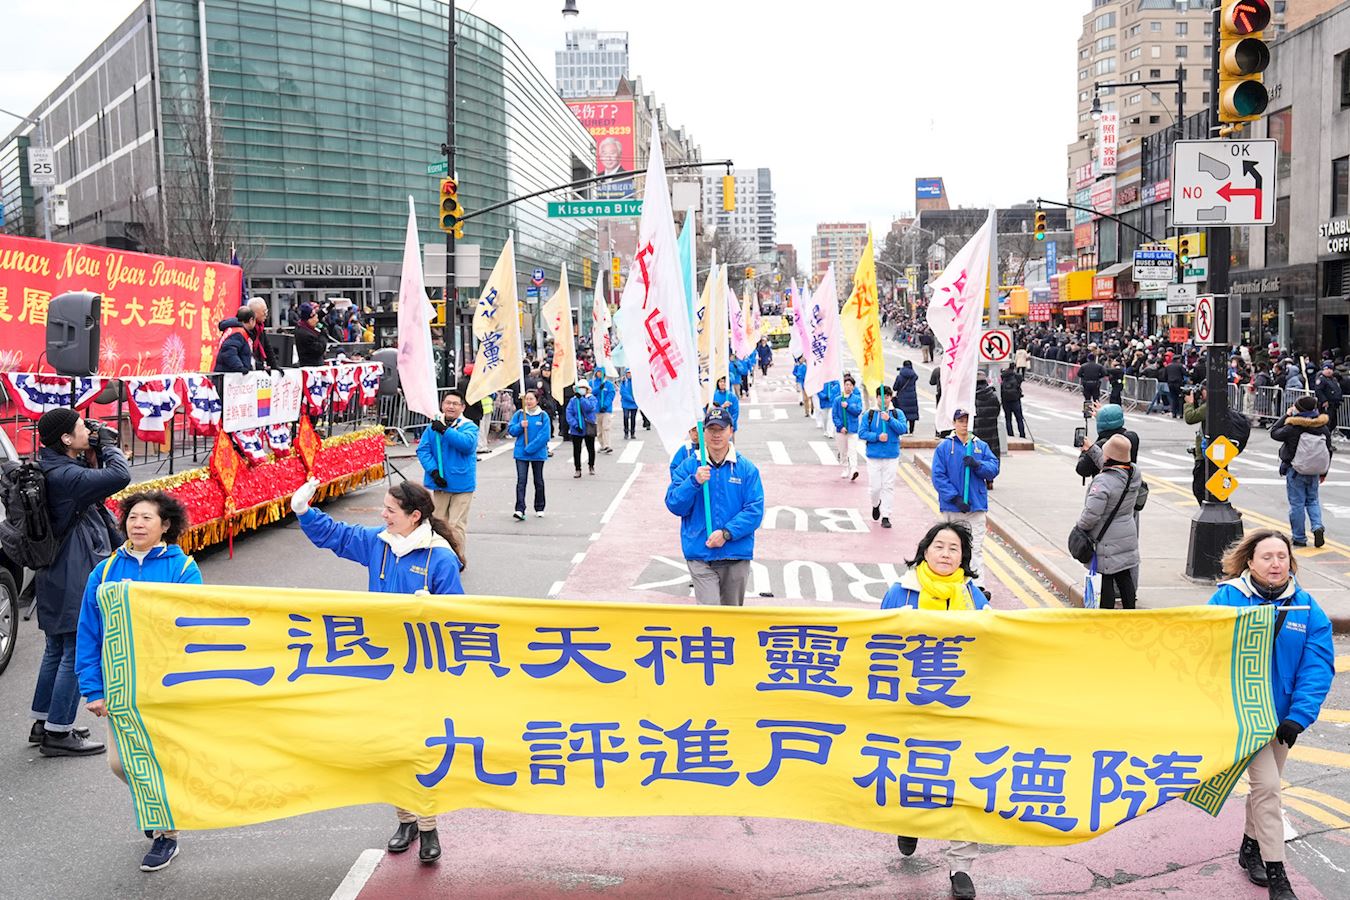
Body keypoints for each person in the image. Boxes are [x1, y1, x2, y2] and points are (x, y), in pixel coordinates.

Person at [293, 478, 463, 864]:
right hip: (382, 667)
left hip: (422, 669)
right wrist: (304, 511)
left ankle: (429, 827)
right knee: (393, 748)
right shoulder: (380, 543)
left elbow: (458, 619)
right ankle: (405, 821)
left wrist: (432, 611)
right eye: (383, 508)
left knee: (421, 750)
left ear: (414, 516)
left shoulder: (440, 558)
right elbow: (338, 536)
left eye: (390, 510)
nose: (382, 515)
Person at [76, 491, 201, 872]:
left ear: (166, 525)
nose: (138, 524)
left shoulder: (184, 570)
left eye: (147, 518)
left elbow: (195, 628)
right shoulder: (105, 571)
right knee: (120, 763)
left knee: (161, 759)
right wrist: (93, 689)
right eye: (132, 517)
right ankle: (154, 803)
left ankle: (166, 835)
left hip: (166, 684)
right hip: (121, 684)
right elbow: (88, 632)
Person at [1208, 530, 1334, 900]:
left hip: (1281, 720)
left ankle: (1249, 848)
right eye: (1267, 556)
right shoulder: (1227, 599)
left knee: (1266, 787)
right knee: (1268, 788)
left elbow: (1317, 665)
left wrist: (1299, 716)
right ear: (1250, 562)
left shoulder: (1306, 607)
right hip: (1241, 715)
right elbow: (1202, 651)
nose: (1276, 563)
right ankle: (1278, 876)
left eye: (1282, 556)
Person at [883, 520, 987, 900]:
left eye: (954, 548)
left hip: (961, 706)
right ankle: (911, 821)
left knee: (966, 782)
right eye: (939, 546)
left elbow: (994, 648)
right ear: (925, 551)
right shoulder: (900, 592)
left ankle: (961, 866)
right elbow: (877, 643)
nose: (945, 553)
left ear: (964, 557)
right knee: (914, 772)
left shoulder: (975, 600)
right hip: (911, 706)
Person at [29, 409, 130, 757]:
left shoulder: (52, 466)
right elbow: (120, 476)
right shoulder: (67, 475)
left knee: (56, 647)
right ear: (66, 439)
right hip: (72, 568)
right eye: (81, 427)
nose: (89, 429)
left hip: (56, 567)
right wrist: (108, 446)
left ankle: (44, 722)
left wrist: (93, 448)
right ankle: (59, 732)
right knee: (76, 648)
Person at [665, 407, 764, 606]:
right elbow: (674, 504)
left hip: (735, 553)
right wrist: (693, 482)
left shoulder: (746, 469)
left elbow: (755, 510)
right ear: (704, 432)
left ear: (731, 431)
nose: (716, 435)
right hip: (700, 553)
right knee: (709, 613)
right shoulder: (690, 467)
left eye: (721, 429)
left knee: (730, 615)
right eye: (711, 430)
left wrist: (726, 533)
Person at [930, 409, 999, 587]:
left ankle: (978, 586)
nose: (964, 424)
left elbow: (993, 469)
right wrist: (955, 498)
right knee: (952, 548)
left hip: (975, 507)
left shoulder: (980, 446)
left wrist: (977, 465)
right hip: (952, 508)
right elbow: (938, 476)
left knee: (975, 547)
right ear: (954, 423)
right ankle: (952, 583)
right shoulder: (944, 447)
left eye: (967, 421)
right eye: (960, 421)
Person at [1074, 435, 1141, 610]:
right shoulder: (1134, 473)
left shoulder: (1103, 481)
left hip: (1106, 539)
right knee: (1124, 575)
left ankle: (1107, 616)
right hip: (1126, 533)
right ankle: (1130, 613)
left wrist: (1079, 529)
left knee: (1106, 578)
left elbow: (1091, 514)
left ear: (1109, 457)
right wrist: (1091, 449)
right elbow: (1111, 466)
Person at [415, 390, 477, 566]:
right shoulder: (433, 426)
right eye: (448, 403)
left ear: (462, 407)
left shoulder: (469, 426)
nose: (451, 406)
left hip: (462, 485)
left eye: (455, 404)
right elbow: (423, 450)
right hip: (440, 484)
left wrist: (444, 430)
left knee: (456, 525)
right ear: (442, 405)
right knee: (438, 523)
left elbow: (466, 445)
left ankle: (456, 560)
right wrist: (433, 471)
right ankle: (439, 559)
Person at [1270, 395, 1333, 548]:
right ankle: (1317, 525)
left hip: (1296, 469)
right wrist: (1324, 472)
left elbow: (1274, 432)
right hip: (1314, 470)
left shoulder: (1293, 427)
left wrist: (1286, 415)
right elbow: (1328, 451)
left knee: (1297, 504)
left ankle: (1299, 537)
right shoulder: (1322, 427)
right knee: (1313, 500)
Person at [858, 386, 908, 529]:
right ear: (877, 398)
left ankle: (886, 515)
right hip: (874, 456)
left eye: (887, 397)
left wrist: (889, 419)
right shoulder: (870, 414)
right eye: (881, 397)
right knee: (875, 488)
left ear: (890, 398)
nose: (884, 400)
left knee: (888, 486)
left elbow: (903, 429)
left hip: (891, 455)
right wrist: (877, 437)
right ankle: (875, 504)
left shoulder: (897, 413)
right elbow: (862, 433)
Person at [507, 390, 551, 520]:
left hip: (537, 453)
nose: (528, 401)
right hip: (521, 454)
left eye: (531, 399)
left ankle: (539, 507)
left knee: (538, 481)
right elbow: (511, 430)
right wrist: (520, 426)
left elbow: (545, 435)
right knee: (521, 481)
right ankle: (520, 509)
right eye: (527, 399)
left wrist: (530, 448)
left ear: (537, 400)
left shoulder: (543, 416)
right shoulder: (520, 414)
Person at [1075, 404, 1140, 479]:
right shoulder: (1132, 437)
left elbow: (1082, 470)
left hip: (1106, 483)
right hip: (1128, 481)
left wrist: (1084, 451)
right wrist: (1103, 416)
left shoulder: (1102, 445)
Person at [831, 374, 863, 481]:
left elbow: (858, 411)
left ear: (853, 387)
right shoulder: (837, 400)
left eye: (850, 385)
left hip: (852, 429)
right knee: (843, 451)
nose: (848, 387)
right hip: (841, 431)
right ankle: (845, 468)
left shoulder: (856, 399)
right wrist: (840, 426)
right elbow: (834, 415)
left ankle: (854, 469)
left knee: (852, 450)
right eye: (846, 384)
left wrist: (848, 406)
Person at [565, 381, 599, 477]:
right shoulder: (573, 400)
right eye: (580, 388)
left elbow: (589, 408)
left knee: (590, 448)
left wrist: (581, 399)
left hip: (588, 427)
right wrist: (575, 425)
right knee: (576, 450)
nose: (581, 389)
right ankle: (577, 469)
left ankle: (591, 465)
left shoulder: (591, 398)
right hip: (577, 428)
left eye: (583, 388)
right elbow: (569, 413)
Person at [212, 306, 255, 374]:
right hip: (230, 376)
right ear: (251, 320)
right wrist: (241, 368)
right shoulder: (238, 333)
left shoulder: (234, 330)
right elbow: (228, 353)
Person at [590, 369, 617, 454]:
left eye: (601, 372)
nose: (599, 374)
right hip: (596, 410)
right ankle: (602, 445)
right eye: (598, 372)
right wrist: (598, 388)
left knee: (606, 427)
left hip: (606, 410)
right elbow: (590, 393)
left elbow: (611, 395)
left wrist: (605, 405)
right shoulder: (592, 383)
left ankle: (607, 445)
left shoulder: (609, 384)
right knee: (599, 430)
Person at [294, 302, 328, 367]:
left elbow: (319, 315)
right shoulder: (306, 334)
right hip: (312, 366)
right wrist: (323, 333)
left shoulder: (301, 326)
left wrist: (330, 307)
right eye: (315, 317)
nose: (317, 320)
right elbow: (320, 349)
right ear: (309, 319)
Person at [892, 361, 920, 435]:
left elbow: (895, 388)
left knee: (903, 414)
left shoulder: (900, 376)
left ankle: (905, 430)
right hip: (912, 397)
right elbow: (916, 376)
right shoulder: (913, 376)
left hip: (902, 398)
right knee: (912, 414)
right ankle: (911, 431)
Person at [1314, 362, 1343, 433]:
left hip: (1334, 404)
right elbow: (1318, 391)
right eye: (1327, 369)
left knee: (1333, 422)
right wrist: (1324, 401)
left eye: (1330, 369)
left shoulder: (1333, 379)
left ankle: (1328, 435)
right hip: (1327, 404)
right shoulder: (1321, 379)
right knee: (1327, 422)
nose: (1329, 371)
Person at [1000, 364, 1026, 439]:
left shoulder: (1002, 376)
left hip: (1005, 400)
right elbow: (1021, 380)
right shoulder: (1017, 376)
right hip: (1015, 400)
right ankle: (1022, 435)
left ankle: (1010, 435)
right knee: (1019, 419)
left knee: (1008, 419)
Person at [247, 297, 272, 370]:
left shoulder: (260, 328)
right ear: (254, 314)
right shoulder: (244, 331)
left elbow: (268, 349)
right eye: (264, 312)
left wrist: (274, 366)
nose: (266, 314)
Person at [619, 370, 640, 439]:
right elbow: (622, 392)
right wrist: (631, 399)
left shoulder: (636, 382)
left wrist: (636, 399)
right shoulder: (624, 382)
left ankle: (632, 433)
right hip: (626, 402)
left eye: (630, 373)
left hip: (634, 404)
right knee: (626, 417)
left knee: (633, 418)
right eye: (628, 373)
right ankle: (626, 432)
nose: (629, 374)